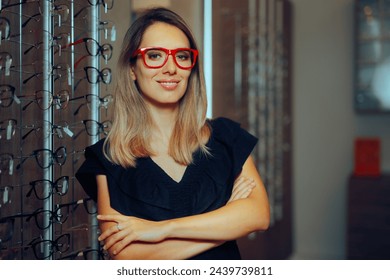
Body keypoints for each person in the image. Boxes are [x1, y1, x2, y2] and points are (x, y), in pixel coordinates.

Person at [75, 7, 270, 260]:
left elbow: (258, 216)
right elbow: (126, 257)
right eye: (154, 55)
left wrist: (161, 230)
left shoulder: (225, 137)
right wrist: (226, 220)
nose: (171, 68)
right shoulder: (108, 157)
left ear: (191, 67)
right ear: (132, 69)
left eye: (182, 56)